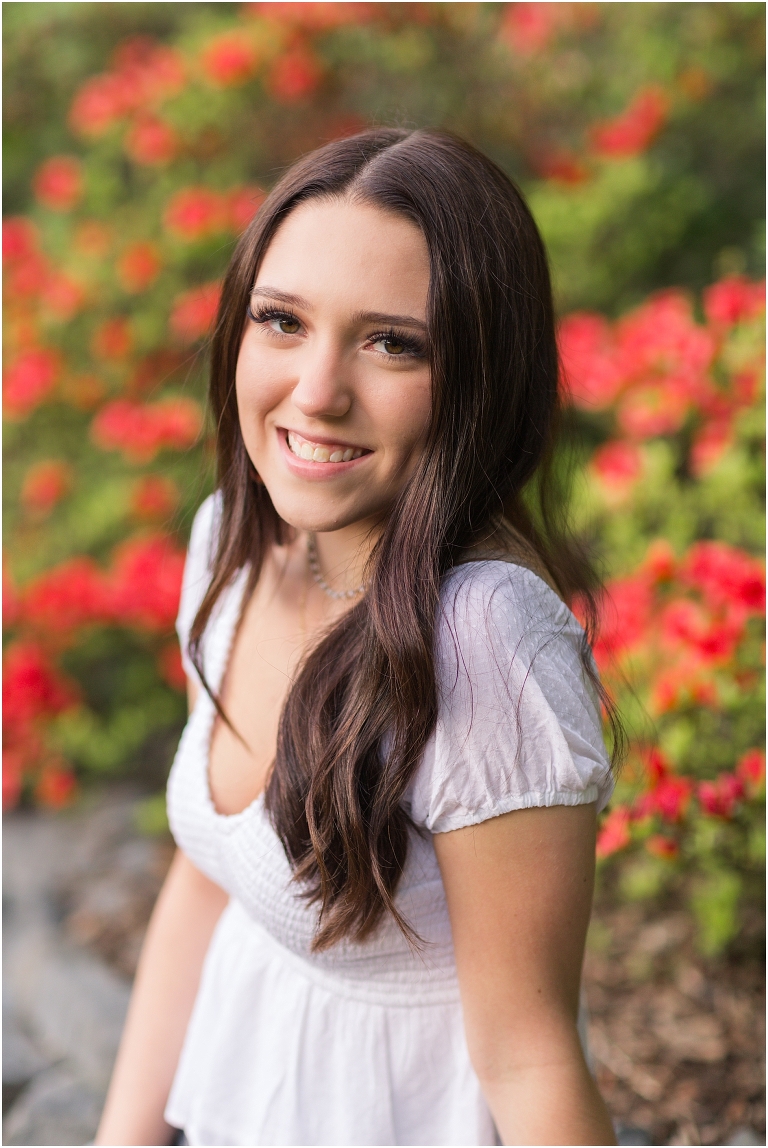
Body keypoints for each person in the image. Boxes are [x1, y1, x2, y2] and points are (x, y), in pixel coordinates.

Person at [95, 127, 618, 1147]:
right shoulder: (235, 544)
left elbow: (530, 1055)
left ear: (477, 377)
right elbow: (210, 878)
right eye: (282, 320)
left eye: (392, 342)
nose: (318, 389)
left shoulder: (484, 639)